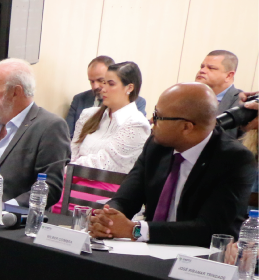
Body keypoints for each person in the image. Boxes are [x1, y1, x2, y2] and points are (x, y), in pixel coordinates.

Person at [89, 83, 257, 247]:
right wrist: (107, 218)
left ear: (186, 127)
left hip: (198, 262)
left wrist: (135, 230)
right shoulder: (157, 146)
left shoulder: (234, 159)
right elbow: (125, 199)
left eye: (158, 116)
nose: (151, 120)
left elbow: (210, 229)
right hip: (148, 251)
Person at [0, 59, 69, 207]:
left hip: (2, 218)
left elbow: (50, 189)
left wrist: (1, 205)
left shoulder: (50, 127)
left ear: (16, 92)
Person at [54, 61, 150, 212]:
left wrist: (67, 170)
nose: (102, 89)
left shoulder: (137, 124)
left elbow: (105, 163)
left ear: (129, 88)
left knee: (53, 200)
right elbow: (72, 151)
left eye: (110, 84)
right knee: (44, 193)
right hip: (72, 180)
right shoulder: (88, 114)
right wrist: (66, 173)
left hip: (107, 192)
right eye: (103, 83)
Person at [66, 56, 146, 136]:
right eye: (92, 81)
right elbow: (68, 135)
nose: (95, 86)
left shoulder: (136, 105)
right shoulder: (80, 100)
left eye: (101, 81)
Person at [195, 50, 244, 139]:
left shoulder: (242, 102)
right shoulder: (188, 97)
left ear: (229, 75)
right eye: (202, 67)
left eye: (211, 68)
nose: (202, 70)